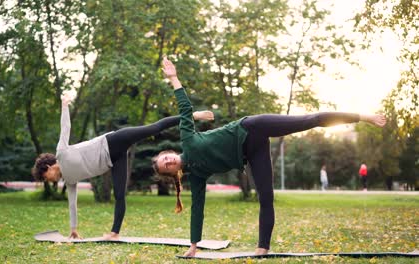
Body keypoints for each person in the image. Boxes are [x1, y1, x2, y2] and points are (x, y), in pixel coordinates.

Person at [152, 57, 387, 257]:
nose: (169, 162)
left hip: (253, 127)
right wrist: (194, 245)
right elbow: (198, 209)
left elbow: (184, 108)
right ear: (172, 173)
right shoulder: (198, 176)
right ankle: (263, 248)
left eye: (166, 158)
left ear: (170, 153)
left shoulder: (187, 139)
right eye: (166, 167)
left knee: (309, 120)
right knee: (266, 196)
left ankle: (362, 116)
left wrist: (173, 77)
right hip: (253, 152)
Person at [31, 93, 214, 240]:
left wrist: (64, 105)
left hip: (113, 141)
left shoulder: (61, 153)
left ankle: (193, 116)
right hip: (115, 160)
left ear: (47, 167)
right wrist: (73, 229)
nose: (49, 180)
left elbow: (65, 127)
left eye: (45, 177)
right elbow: (72, 204)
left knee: (154, 128)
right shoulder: (69, 180)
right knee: (119, 195)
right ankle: (115, 233)